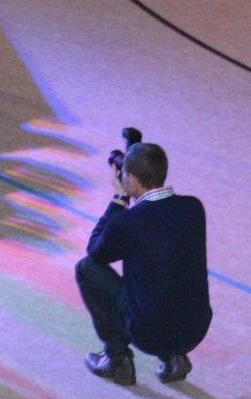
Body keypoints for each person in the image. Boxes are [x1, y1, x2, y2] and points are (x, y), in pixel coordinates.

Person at [76, 143, 212, 386]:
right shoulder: (193, 207)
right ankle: (174, 358)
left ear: (131, 179)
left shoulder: (128, 222)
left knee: (86, 269)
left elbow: (95, 251)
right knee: (168, 281)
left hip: (149, 334)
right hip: (195, 329)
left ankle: (117, 359)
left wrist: (119, 198)